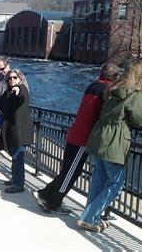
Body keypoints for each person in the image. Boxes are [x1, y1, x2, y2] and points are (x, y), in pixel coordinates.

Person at [77, 59, 142, 232]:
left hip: (99, 136)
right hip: (115, 141)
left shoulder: (113, 88)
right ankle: (89, 217)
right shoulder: (135, 94)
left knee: (98, 179)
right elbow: (137, 120)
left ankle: (90, 216)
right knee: (116, 184)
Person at [32, 63, 121, 215]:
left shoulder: (93, 86)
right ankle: (52, 202)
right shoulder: (105, 91)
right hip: (83, 138)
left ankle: (45, 193)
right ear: (114, 78)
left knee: (68, 170)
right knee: (71, 173)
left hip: (76, 133)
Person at [0, 69, 33, 193]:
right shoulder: (7, 92)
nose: (12, 80)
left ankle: (18, 184)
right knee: (14, 156)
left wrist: (18, 88)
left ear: (20, 79)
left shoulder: (22, 89)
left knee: (18, 156)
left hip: (20, 131)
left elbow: (22, 93)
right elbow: (1, 105)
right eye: (10, 78)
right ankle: (15, 179)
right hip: (11, 131)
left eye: (15, 78)